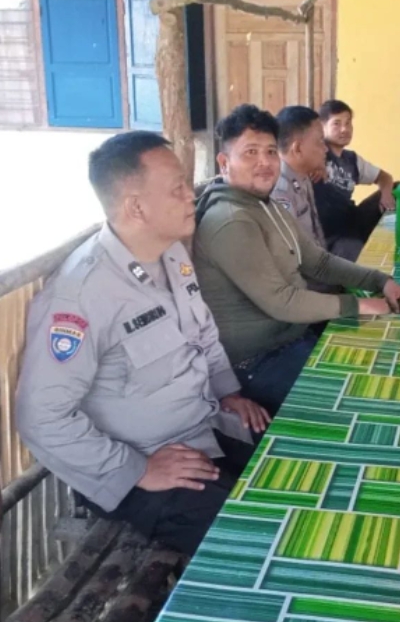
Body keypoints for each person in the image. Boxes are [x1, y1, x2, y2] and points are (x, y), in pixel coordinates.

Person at [15, 132, 268, 556]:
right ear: (135, 207)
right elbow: (40, 417)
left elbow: (203, 331)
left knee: (296, 471)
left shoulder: (172, 254)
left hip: (205, 428)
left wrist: (228, 392)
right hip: (145, 468)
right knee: (255, 541)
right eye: (177, 188)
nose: (191, 195)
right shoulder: (81, 295)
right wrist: (136, 470)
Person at [194, 105, 400, 415]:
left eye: (271, 152)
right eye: (251, 152)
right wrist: (359, 305)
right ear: (224, 162)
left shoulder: (265, 205)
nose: (264, 162)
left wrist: (379, 281)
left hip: (294, 338)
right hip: (258, 361)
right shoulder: (231, 220)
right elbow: (281, 301)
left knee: (387, 360)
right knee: (363, 399)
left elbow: (317, 262)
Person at [313, 100, 397, 260]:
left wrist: (386, 195)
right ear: (322, 127)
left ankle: (399, 242)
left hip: (351, 219)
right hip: (330, 232)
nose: (344, 129)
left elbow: (384, 177)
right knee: (354, 254)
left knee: (397, 188)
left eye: (348, 123)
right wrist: (314, 163)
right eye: (336, 123)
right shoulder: (314, 153)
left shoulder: (352, 159)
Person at [270, 105, 329, 249]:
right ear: (297, 149)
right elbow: (292, 251)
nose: (326, 148)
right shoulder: (280, 189)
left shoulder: (302, 174)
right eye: (320, 141)